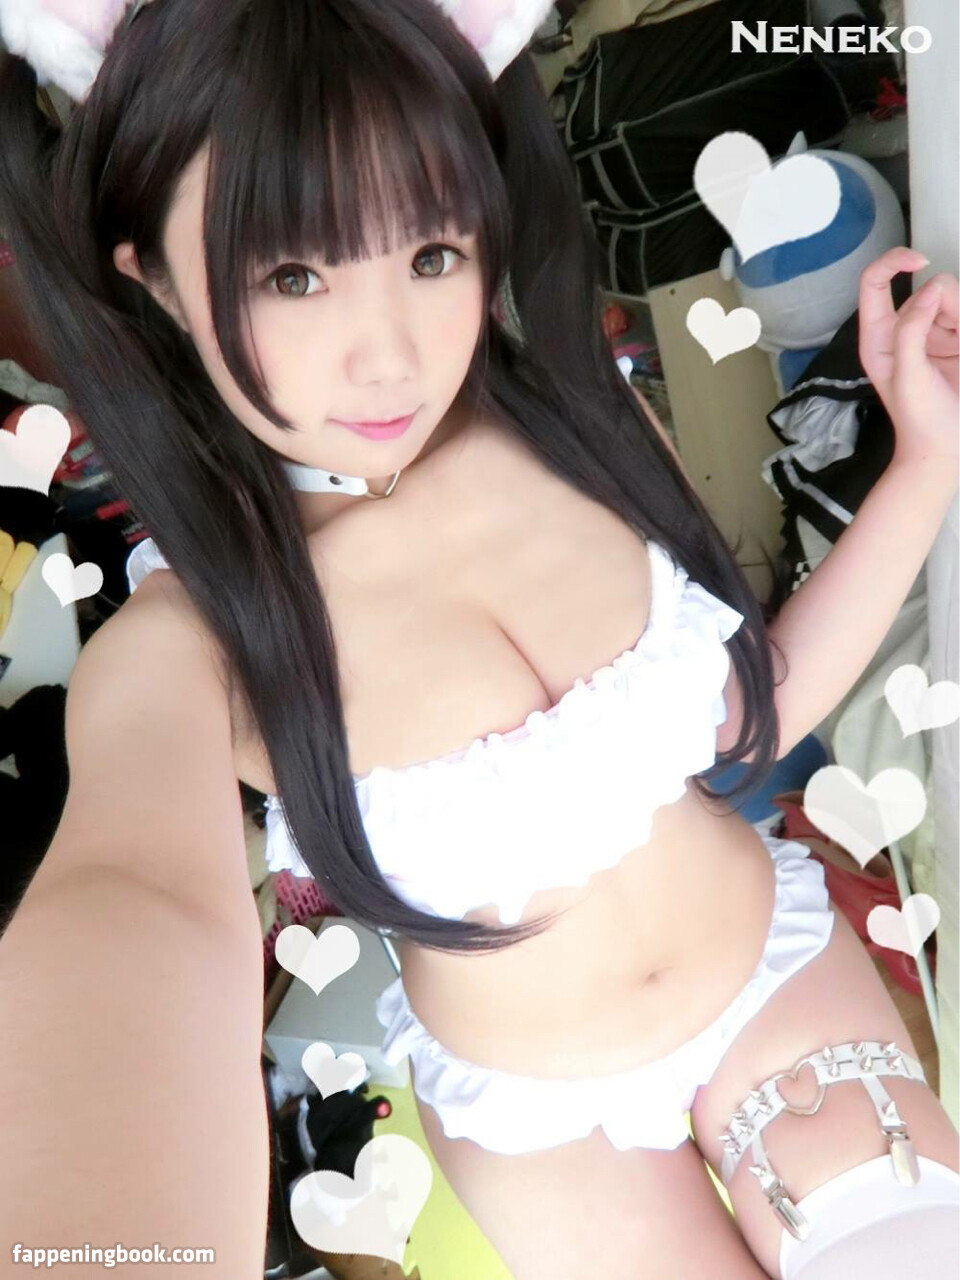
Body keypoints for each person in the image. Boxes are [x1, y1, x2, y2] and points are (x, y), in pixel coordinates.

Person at [0, 2, 958, 1277]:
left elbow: (751, 712)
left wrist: (926, 459)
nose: (390, 355)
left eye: (431, 251)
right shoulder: (193, 643)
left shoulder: (579, 416)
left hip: (776, 976)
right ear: (157, 278)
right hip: (542, 1128)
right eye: (293, 276)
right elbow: (130, 916)